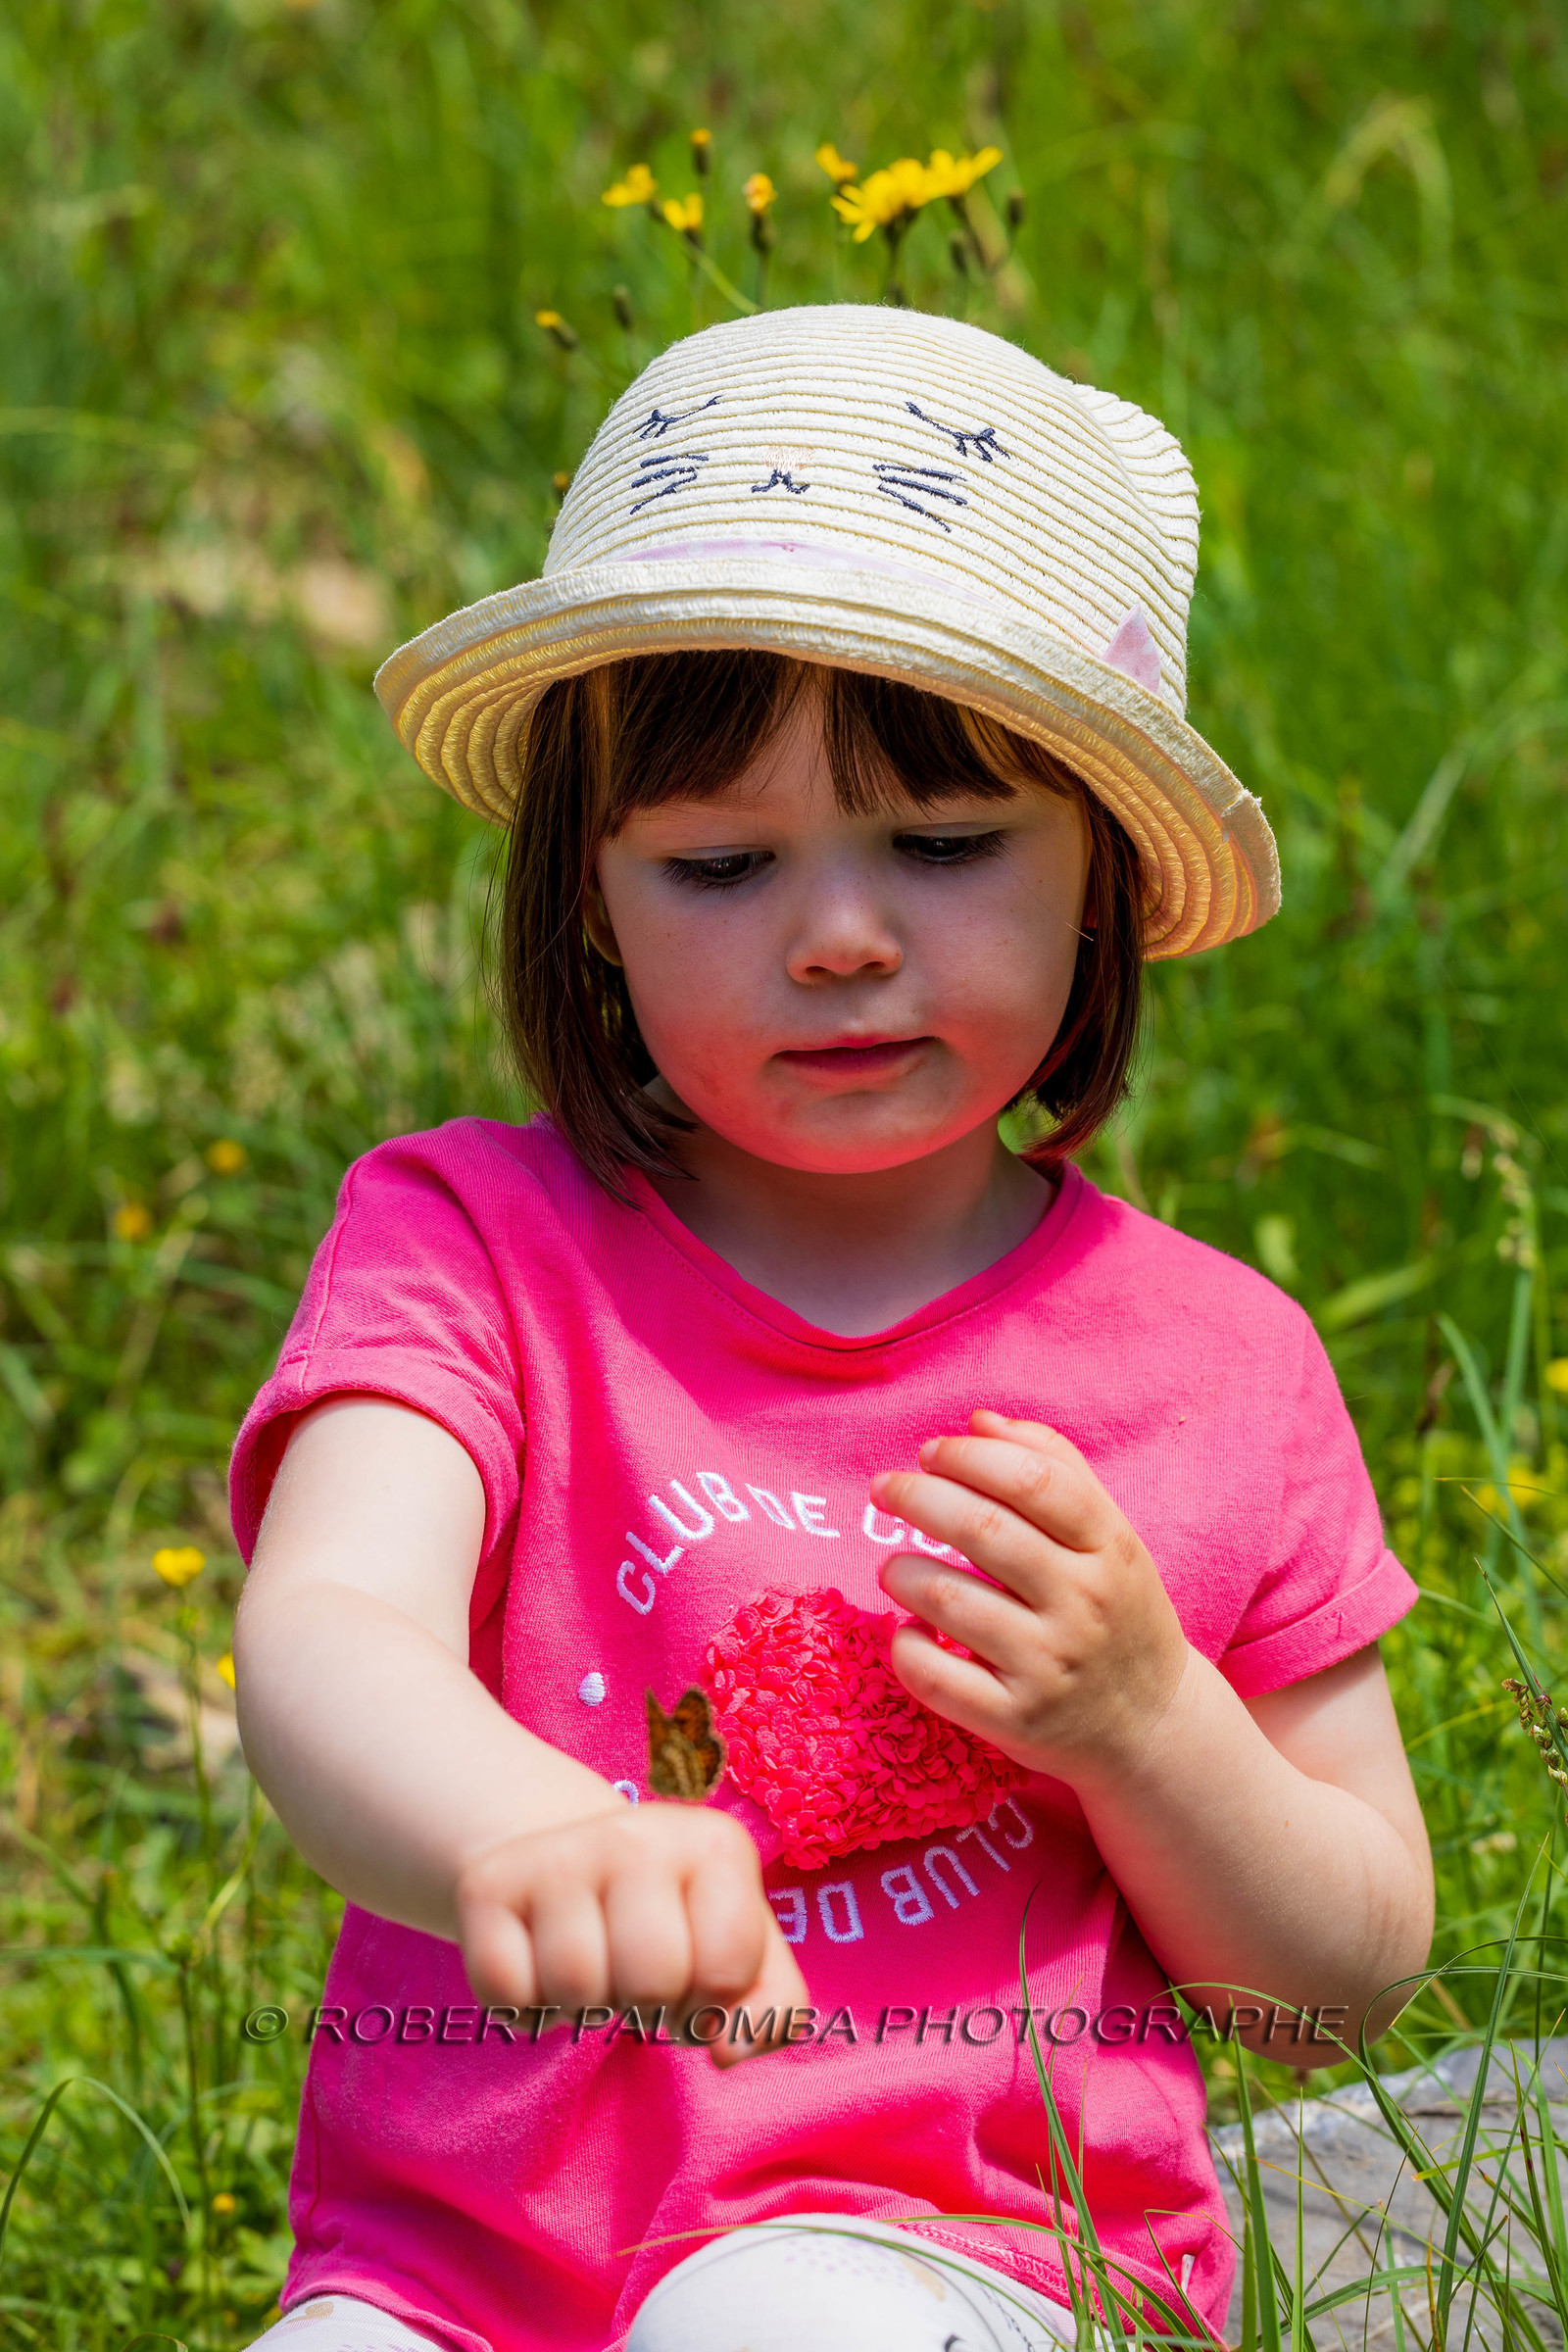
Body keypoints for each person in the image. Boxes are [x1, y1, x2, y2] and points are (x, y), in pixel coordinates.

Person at [229, 304, 1433, 2352]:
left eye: (945, 845)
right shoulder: (471, 1248)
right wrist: (523, 1829)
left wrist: (1149, 1728)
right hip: (458, 2272)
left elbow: (1344, 1977)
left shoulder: (1214, 1364)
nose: (839, 937)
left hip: (958, 2247)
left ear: (1101, 870)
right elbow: (325, 1626)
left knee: (775, 2321)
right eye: (719, 864)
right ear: (587, 894)